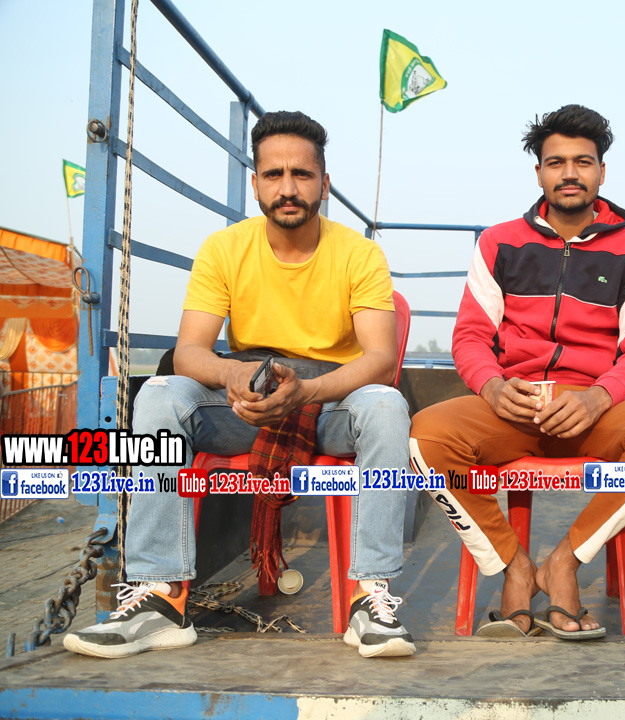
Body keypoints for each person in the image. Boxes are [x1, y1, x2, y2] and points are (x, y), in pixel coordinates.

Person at [64, 111, 415, 659]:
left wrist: (306, 392)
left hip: (329, 401)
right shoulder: (224, 248)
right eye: (274, 174)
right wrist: (232, 375)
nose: (288, 188)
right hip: (246, 392)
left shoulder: (359, 253)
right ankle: (161, 599)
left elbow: (379, 359)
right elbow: (189, 351)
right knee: (159, 395)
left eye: (302, 174)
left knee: (387, 405)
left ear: (324, 183)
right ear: (255, 184)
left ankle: (370, 597)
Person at [409, 104, 625, 639]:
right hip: (513, 406)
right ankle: (514, 567)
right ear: (539, 173)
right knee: (426, 437)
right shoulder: (498, 243)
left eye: (583, 162)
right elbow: (470, 337)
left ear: (602, 172)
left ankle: (564, 563)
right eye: (556, 162)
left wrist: (598, 397)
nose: (570, 173)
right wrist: (492, 387)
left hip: (594, 409)